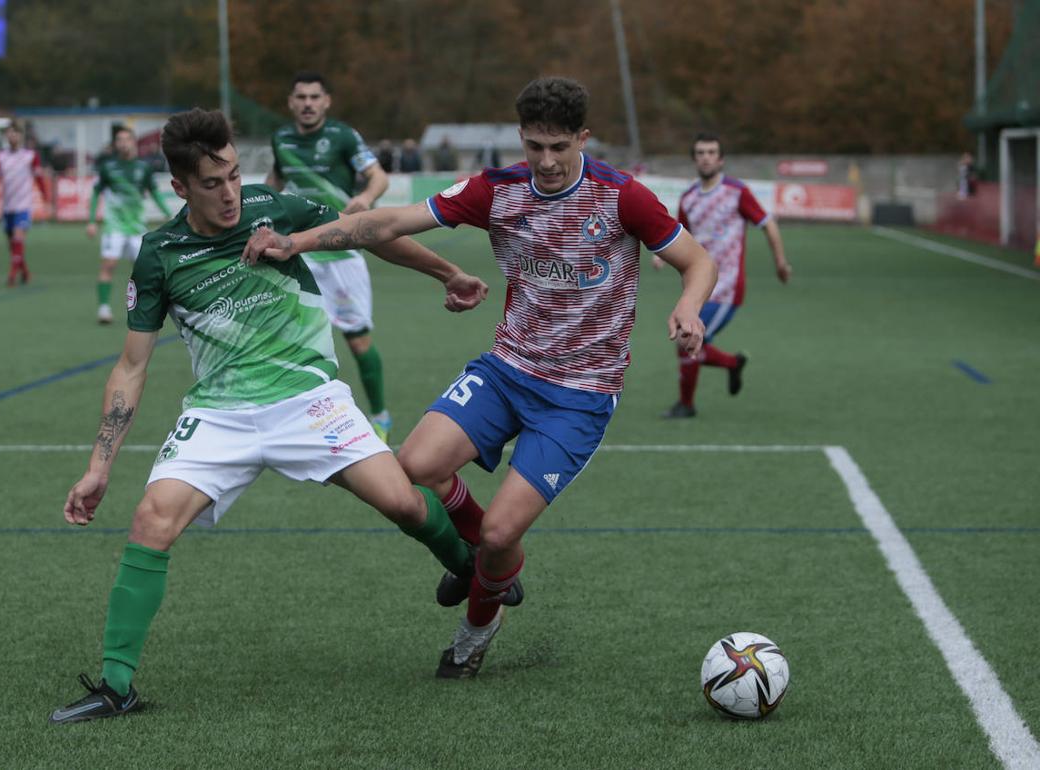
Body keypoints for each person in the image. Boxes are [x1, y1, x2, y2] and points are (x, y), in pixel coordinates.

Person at [244, 77, 716, 679]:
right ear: (521, 138)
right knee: (414, 467)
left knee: (500, 534)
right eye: (534, 146)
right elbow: (386, 224)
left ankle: (477, 624)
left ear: (583, 139)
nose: (545, 161)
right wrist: (298, 241)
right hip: (506, 370)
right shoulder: (496, 190)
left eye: (558, 148)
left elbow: (698, 260)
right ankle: (482, 563)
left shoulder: (622, 197)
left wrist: (690, 305)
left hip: (579, 395)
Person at [49, 108, 495, 724]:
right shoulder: (159, 254)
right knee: (151, 520)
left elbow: (366, 229)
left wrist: (447, 272)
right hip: (220, 415)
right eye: (211, 182)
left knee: (402, 502)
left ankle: (473, 569)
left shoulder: (275, 208)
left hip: (310, 402)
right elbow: (130, 367)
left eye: (233, 174)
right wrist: (99, 466)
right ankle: (116, 685)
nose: (230, 192)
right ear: (180, 187)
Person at [267, 72, 394, 442]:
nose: (307, 103)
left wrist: (366, 199)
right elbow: (275, 183)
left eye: (314, 97)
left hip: (341, 254)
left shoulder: (342, 136)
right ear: (291, 102)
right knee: (294, 340)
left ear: (326, 102)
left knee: (357, 340)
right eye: (300, 97)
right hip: (300, 253)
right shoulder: (281, 138)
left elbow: (378, 177)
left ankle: (380, 416)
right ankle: (298, 421)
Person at [651, 132, 791, 418]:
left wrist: (780, 262)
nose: (706, 157)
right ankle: (730, 364)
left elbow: (768, 224)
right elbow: (679, 233)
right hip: (698, 285)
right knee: (687, 338)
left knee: (685, 338)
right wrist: (659, 255)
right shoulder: (689, 198)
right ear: (694, 159)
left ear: (721, 158)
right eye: (700, 152)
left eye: (711, 152)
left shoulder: (737, 192)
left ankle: (687, 405)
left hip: (727, 287)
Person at [86, 125, 173, 324]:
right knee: (109, 265)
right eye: (119, 140)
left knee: (143, 269)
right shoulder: (108, 167)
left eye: (127, 139)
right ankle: (104, 308)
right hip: (114, 227)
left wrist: (168, 213)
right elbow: (96, 193)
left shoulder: (143, 168)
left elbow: (154, 193)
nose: (123, 143)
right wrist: (91, 221)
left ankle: (142, 308)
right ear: (116, 144)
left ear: (134, 142)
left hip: (136, 228)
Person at [0, 120, 49, 286]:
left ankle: (12, 276)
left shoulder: (30, 156)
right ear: (5, 136)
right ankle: (26, 272)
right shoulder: (1, 156)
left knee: (18, 238)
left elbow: (39, 178)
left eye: (15, 132)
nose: (12, 135)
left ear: (21, 136)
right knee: (13, 245)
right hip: (8, 206)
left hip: (23, 205)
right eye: (9, 132)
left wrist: (45, 196)